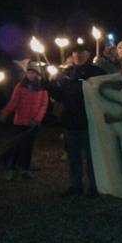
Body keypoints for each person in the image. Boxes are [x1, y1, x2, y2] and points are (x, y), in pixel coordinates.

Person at [46, 45, 106, 197]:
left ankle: (95, 187)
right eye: (75, 53)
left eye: (82, 52)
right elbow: (60, 96)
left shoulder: (96, 72)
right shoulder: (66, 73)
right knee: (73, 158)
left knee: (92, 159)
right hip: (70, 122)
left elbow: (105, 90)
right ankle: (76, 186)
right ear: (72, 55)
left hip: (89, 122)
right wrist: (48, 86)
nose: (78, 55)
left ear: (88, 54)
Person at [0, 62, 49, 180]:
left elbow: (44, 105)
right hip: (20, 121)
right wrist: (4, 113)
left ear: (37, 74)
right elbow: (14, 102)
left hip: (33, 123)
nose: (30, 74)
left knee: (28, 147)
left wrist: (37, 119)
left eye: (33, 72)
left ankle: (25, 170)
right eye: (28, 72)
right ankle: (11, 169)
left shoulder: (42, 87)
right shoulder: (20, 86)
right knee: (16, 146)